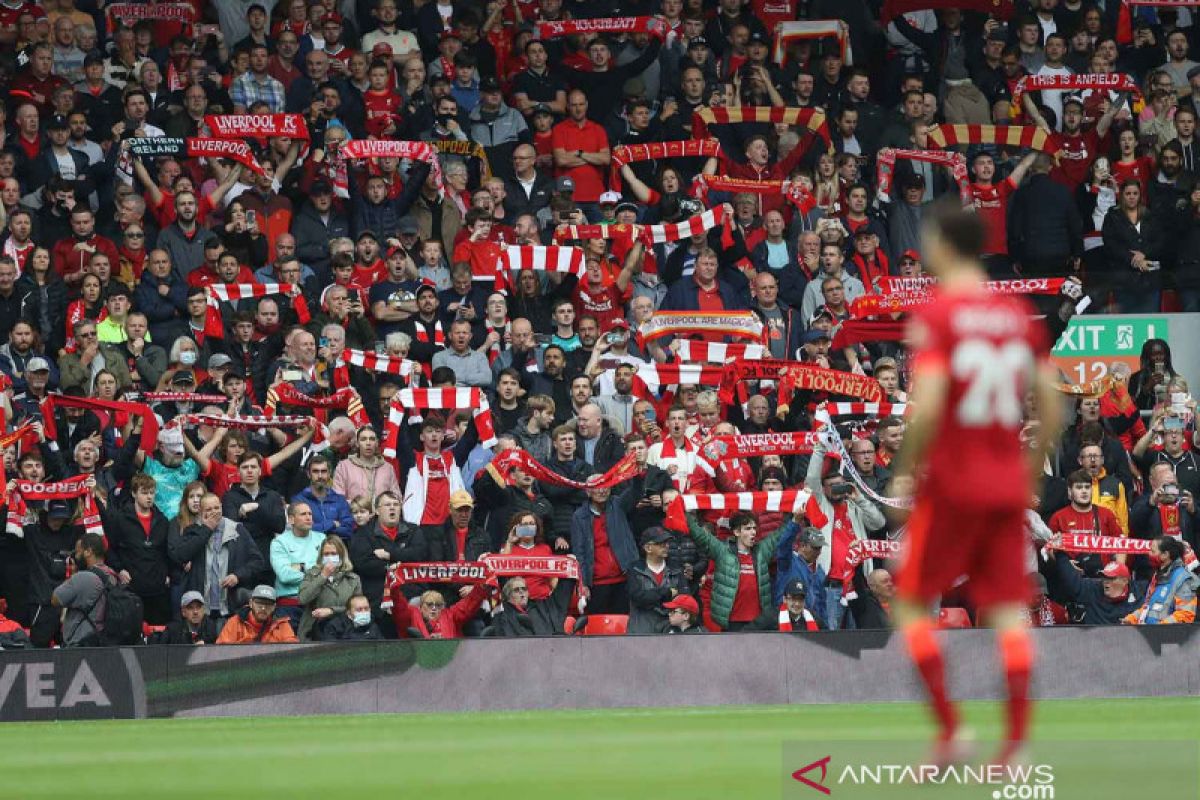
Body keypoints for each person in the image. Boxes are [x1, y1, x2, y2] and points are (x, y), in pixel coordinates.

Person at [887, 200, 1062, 763]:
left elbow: (931, 406)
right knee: (1010, 614)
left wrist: (903, 472)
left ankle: (951, 730)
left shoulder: (939, 314)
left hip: (955, 483)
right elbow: (1053, 407)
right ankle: (1014, 747)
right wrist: (1025, 474)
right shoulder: (1016, 314)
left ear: (942, 244)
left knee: (912, 603)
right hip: (1004, 486)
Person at [681, 511, 789, 632]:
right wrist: (683, 513)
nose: (753, 532)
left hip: (759, 622)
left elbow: (780, 534)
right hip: (732, 623)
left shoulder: (761, 552)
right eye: (748, 528)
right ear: (737, 532)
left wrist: (794, 514)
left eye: (754, 528)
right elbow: (700, 535)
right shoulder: (722, 551)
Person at [168, 493, 266, 621]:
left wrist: (238, 575)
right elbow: (181, 555)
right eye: (208, 510)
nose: (214, 512)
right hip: (202, 608)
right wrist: (206, 529)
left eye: (216, 508)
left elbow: (258, 561)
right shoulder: (193, 530)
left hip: (230, 607)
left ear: (221, 507)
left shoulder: (237, 530)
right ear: (201, 513)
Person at [50, 532, 119, 647]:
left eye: (78, 552)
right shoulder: (113, 575)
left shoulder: (82, 577)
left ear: (88, 551)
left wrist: (72, 575)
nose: (75, 557)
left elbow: (55, 599)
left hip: (81, 644)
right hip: (104, 642)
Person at [269, 502, 324, 629]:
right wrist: (318, 572)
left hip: (317, 602)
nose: (308, 517)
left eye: (310, 514)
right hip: (290, 604)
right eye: (303, 514)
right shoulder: (279, 542)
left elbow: (330, 569)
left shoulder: (322, 538)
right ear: (291, 519)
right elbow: (285, 575)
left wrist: (300, 566)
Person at [297, 535, 362, 641]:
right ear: (321, 556)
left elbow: (358, 609)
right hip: (312, 634)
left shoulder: (353, 579)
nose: (330, 557)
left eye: (334, 554)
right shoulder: (311, 575)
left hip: (344, 634)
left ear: (341, 556)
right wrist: (323, 576)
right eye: (326, 554)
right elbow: (303, 599)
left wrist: (332, 611)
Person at [1122, 536, 1199, 625]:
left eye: (1153, 551)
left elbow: (1185, 615)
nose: (1149, 553)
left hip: (1170, 637)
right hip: (1150, 634)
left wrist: (1160, 629)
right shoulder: (1157, 575)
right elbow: (1148, 607)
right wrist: (1132, 618)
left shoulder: (1184, 579)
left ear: (1165, 555)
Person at [626, 527, 686, 634]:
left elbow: (684, 597)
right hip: (641, 630)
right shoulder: (635, 569)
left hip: (670, 629)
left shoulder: (676, 569)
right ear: (648, 548)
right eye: (661, 543)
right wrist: (667, 593)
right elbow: (638, 598)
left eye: (667, 542)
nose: (666, 546)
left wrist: (652, 597)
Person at [216, 584, 299, 644]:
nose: (263, 608)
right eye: (259, 603)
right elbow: (221, 651)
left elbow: (292, 653)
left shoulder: (281, 623)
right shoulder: (235, 622)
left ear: (274, 607)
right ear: (251, 603)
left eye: (268, 604)